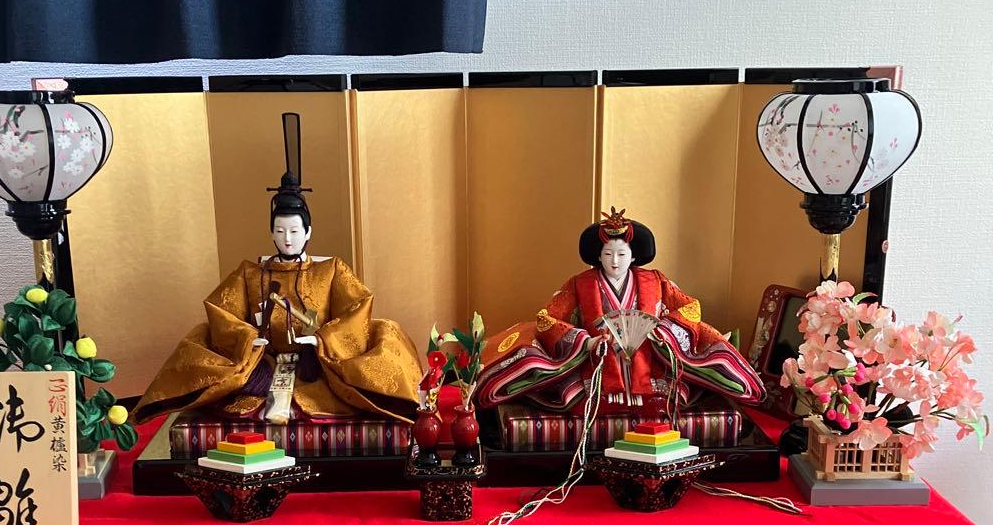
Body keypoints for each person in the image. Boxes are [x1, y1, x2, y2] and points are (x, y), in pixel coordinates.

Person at [132, 115, 421, 425]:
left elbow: (357, 308)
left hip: (318, 362)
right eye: (280, 231)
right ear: (271, 232)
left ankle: (404, 404)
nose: (288, 239)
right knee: (199, 339)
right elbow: (221, 311)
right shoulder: (250, 273)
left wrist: (323, 340)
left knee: (387, 331)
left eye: (295, 231)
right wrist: (247, 339)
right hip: (261, 361)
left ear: (308, 233)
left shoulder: (331, 270)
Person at [475, 209, 764, 415]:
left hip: (650, 360)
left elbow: (690, 307)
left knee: (671, 395)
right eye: (608, 254)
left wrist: (663, 333)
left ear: (633, 256)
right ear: (598, 257)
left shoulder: (656, 281)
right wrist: (585, 341)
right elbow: (547, 319)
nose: (615, 261)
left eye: (622, 254)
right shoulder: (579, 284)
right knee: (574, 394)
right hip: (598, 360)